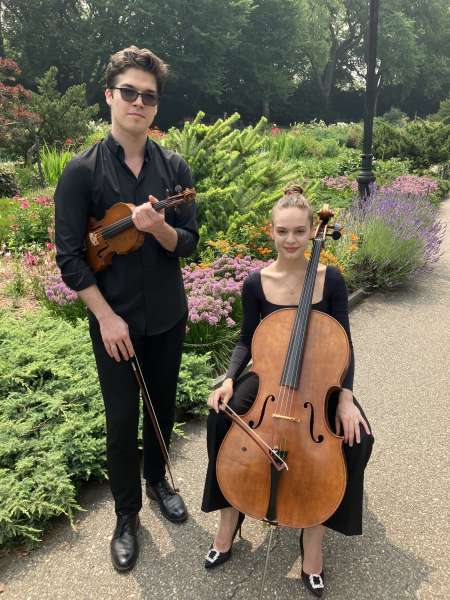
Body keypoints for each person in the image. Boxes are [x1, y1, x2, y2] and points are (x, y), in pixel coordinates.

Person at [55, 46, 198, 572]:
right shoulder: (81, 172)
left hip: (166, 314)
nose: (139, 102)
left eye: (149, 96)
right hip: (114, 322)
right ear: (110, 96)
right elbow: (71, 257)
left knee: (162, 407)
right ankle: (125, 515)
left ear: (156, 106)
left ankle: (158, 481)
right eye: (130, 92)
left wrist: (160, 229)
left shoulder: (174, 168)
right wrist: (105, 316)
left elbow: (189, 243)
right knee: (121, 421)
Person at [201, 185, 373, 597]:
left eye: (299, 231)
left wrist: (345, 398)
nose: (291, 240)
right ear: (272, 232)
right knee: (219, 419)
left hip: (319, 380)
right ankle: (230, 518)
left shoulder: (330, 280)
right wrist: (229, 378)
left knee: (358, 439)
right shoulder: (256, 282)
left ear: (314, 230)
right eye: (283, 231)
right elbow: (246, 340)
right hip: (269, 380)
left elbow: (344, 344)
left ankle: (313, 535)